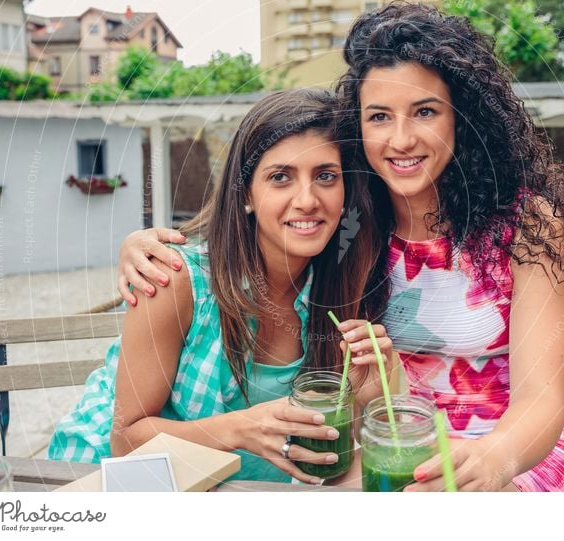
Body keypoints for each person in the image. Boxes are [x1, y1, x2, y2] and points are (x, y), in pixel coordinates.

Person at [117, 3, 564, 492]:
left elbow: (540, 401)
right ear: (359, 126)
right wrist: (141, 244)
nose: (400, 139)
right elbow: (260, 215)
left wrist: (493, 457)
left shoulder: (524, 225)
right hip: (394, 444)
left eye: (424, 111)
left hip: (521, 450)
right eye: (379, 116)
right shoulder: (349, 217)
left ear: (461, 118)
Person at [47, 89, 393, 485]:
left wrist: (369, 400)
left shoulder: (344, 284)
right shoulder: (174, 277)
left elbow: (333, 451)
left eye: (326, 176)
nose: (307, 199)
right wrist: (241, 428)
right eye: (280, 177)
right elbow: (126, 438)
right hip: (114, 480)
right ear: (245, 193)